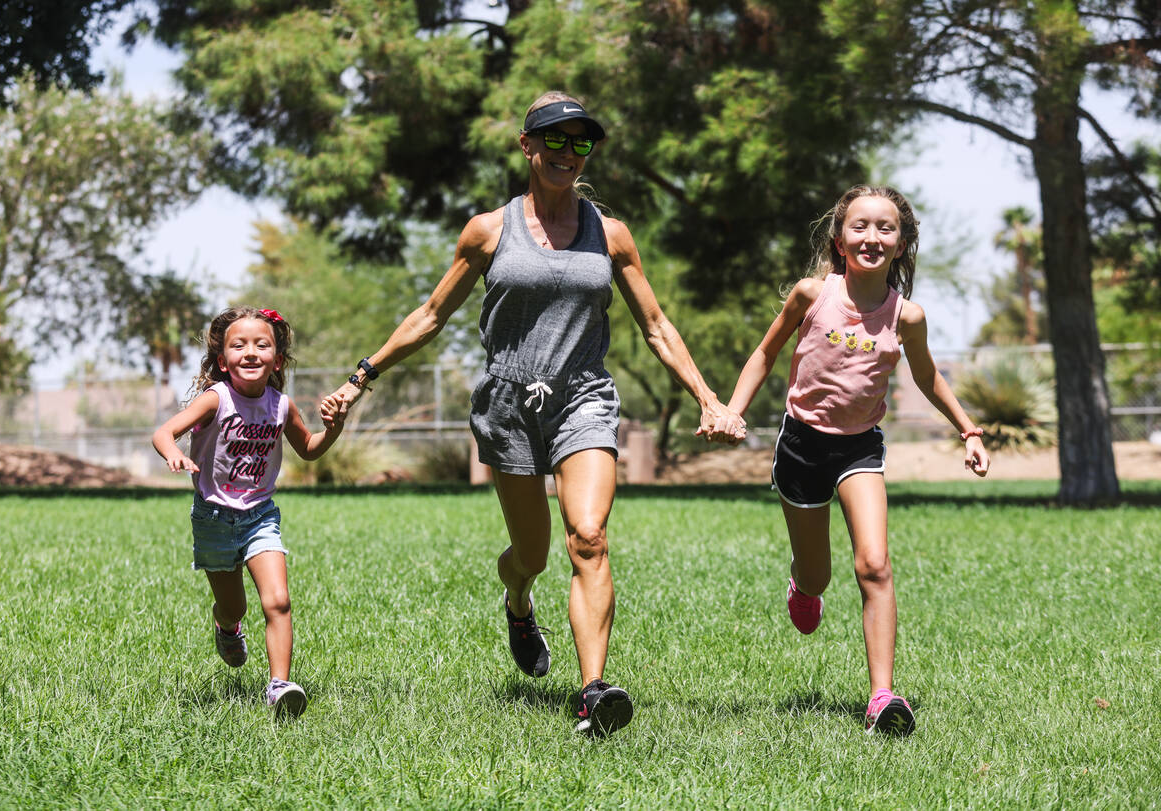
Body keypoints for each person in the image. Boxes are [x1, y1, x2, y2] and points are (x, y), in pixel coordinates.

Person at [323, 91, 744, 737]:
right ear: (527, 146)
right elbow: (431, 316)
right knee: (532, 553)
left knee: (589, 535)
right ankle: (518, 601)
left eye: (581, 142)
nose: (567, 153)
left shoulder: (613, 234)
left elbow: (656, 324)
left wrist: (707, 396)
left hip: (583, 396)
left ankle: (593, 691)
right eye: (554, 139)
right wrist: (361, 377)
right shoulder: (489, 230)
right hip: (509, 403)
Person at [712, 185, 990, 736]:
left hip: (860, 446)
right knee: (818, 576)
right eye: (860, 226)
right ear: (840, 240)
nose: (872, 237)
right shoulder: (812, 294)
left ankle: (882, 696)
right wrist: (732, 411)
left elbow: (928, 376)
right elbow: (766, 353)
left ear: (902, 242)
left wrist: (969, 429)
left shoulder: (906, 316)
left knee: (875, 564)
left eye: (886, 228)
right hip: (801, 444)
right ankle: (803, 585)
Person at [152, 306, 347, 719]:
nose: (251, 352)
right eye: (238, 345)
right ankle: (227, 627)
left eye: (262, 344)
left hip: (260, 515)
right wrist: (173, 455)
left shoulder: (281, 406)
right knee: (234, 607)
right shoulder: (215, 399)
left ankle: (279, 686)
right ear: (223, 361)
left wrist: (333, 428)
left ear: (277, 359)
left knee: (278, 601)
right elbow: (164, 432)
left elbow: (309, 450)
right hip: (214, 519)